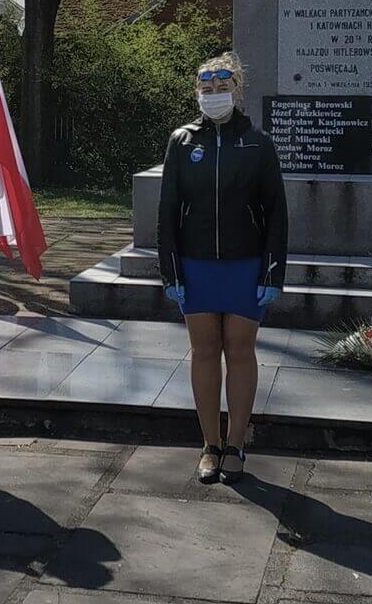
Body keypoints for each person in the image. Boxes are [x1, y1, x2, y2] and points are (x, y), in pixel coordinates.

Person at [155, 52, 288, 484]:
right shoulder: (182, 141)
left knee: (240, 350)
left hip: (244, 263)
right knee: (205, 350)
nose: (214, 95)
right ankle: (210, 444)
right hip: (195, 264)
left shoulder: (257, 142)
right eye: (206, 89)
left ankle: (237, 443)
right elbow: (168, 212)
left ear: (237, 90)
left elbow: (276, 214)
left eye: (222, 88)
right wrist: (171, 271)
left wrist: (272, 272)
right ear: (197, 93)